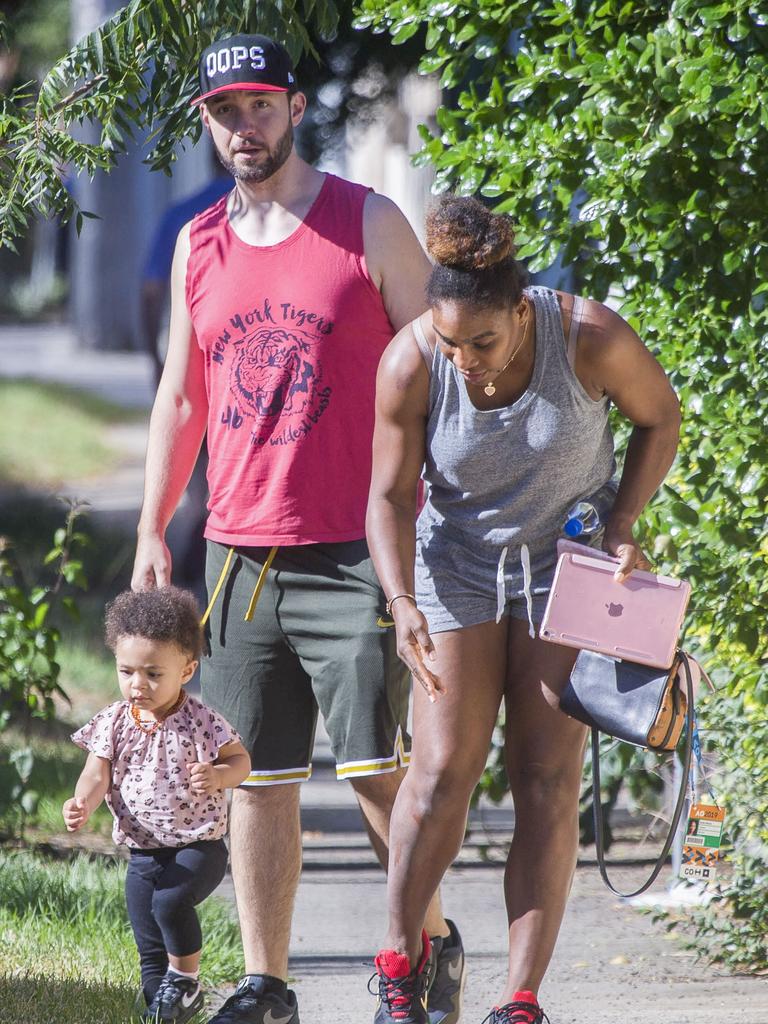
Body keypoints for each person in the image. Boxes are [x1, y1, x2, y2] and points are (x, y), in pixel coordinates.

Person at [130, 32, 459, 1024]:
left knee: (374, 773)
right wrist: (155, 523)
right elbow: (181, 399)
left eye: (261, 106)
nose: (245, 125)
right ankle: (266, 982)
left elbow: (436, 369)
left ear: (294, 107)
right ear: (207, 121)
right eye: (226, 110)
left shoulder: (369, 222)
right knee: (256, 779)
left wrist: (436, 508)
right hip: (238, 551)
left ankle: (420, 955)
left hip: (358, 544)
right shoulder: (200, 245)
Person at [365, 194, 682, 1024]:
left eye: (485, 341)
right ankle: (401, 962)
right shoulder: (411, 363)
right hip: (455, 566)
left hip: (564, 570)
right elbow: (389, 497)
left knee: (545, 776)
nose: (466, 360)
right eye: (450, 341)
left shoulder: (588, 336)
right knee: (440, 774)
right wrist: (401, 601)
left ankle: (521, 998)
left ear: (520, 309)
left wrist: (622, 528)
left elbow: (660, 416)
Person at [62, 587, 251, 1024]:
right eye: (126, 671)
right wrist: (82, 801)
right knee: (148, 938)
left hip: (198, 845)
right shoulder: (113, 721)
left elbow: (240, 759)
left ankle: (185, 983)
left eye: (152, 674)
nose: (137, 685)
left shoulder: (202, 721)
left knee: (169, 905)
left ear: (186, 670)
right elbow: (97, 772)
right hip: (143, 850)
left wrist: (221, 776)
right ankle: (161, 1010)